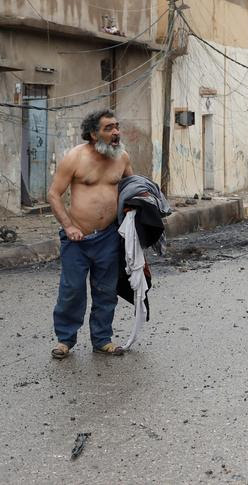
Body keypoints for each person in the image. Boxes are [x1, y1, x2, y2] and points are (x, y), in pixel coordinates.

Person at [47, 109, 133, 359]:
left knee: (106, 290)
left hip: (108, 236)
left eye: (117, 126)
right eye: (109, 128)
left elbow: (133, 188)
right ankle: (65, 339)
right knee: (72, 289)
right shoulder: (75, 158)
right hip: (77, 239)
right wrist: (68, 226)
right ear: (94, 134)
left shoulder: (122, 158)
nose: (116, 132)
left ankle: (102, 339)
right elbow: (53, 194)